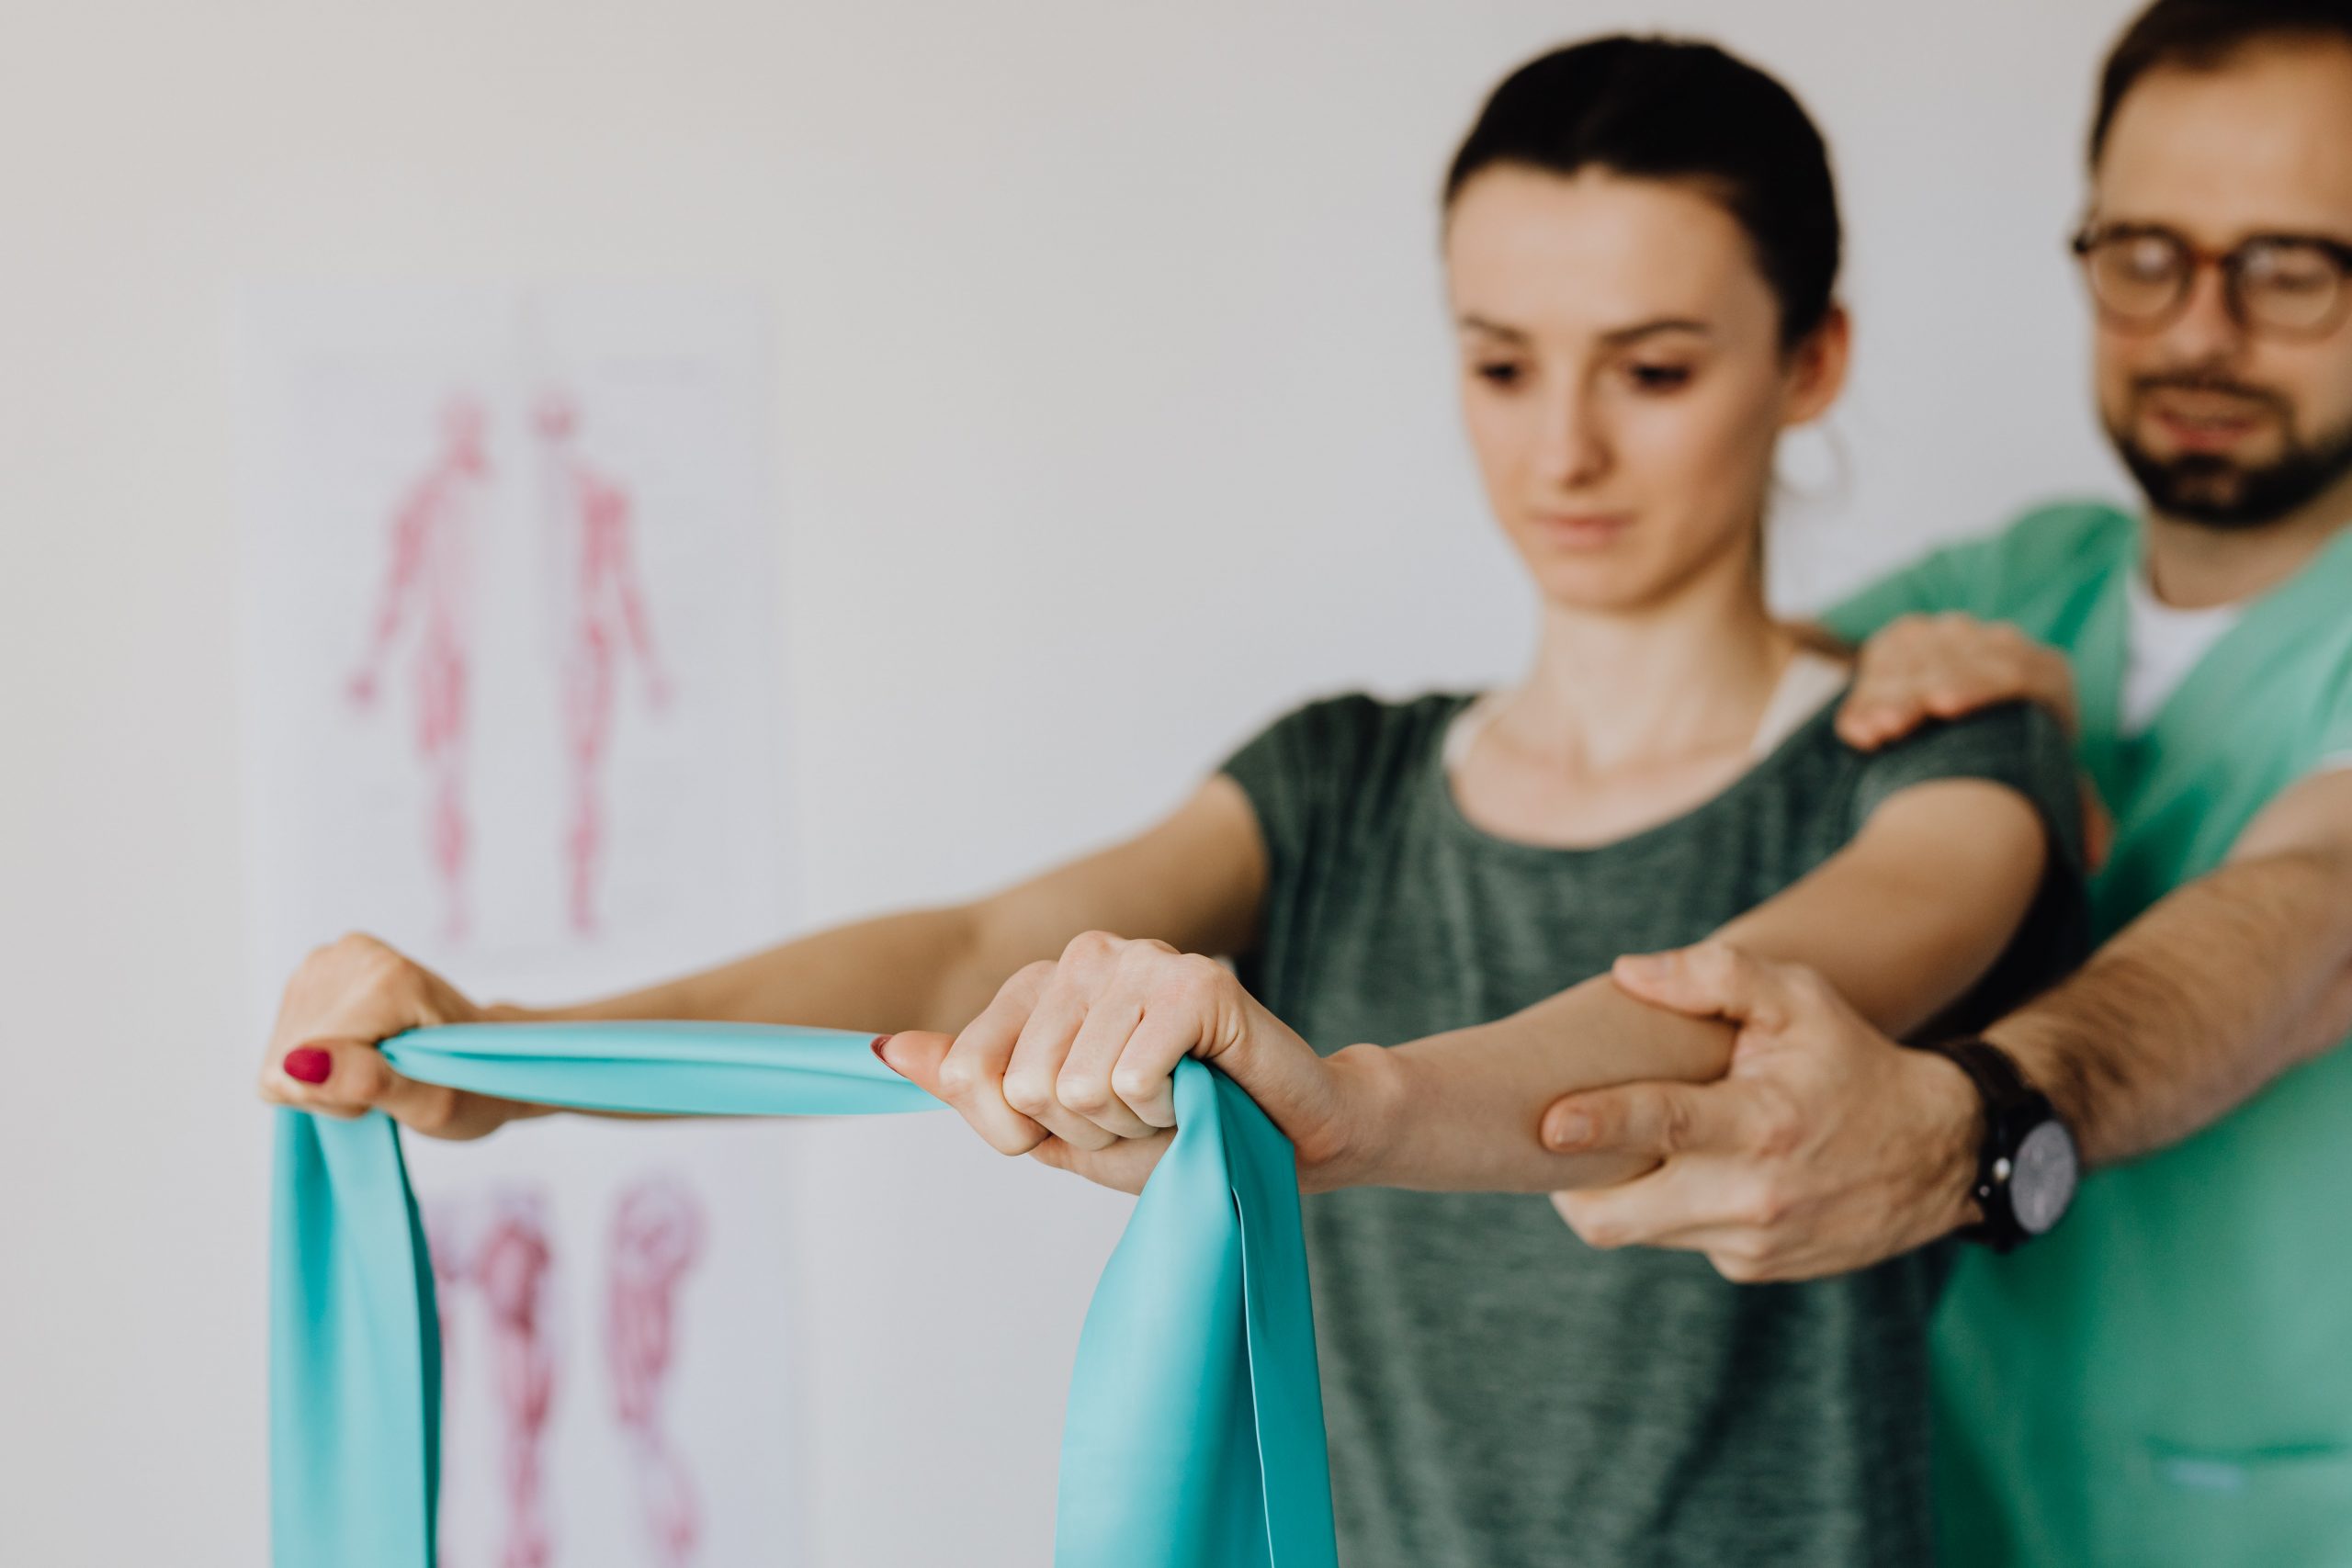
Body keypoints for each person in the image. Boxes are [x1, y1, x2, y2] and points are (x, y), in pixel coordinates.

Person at [260, 36, 2082, 1568]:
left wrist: (1344, 1103)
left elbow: (1707, 1015)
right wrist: (501, 1054)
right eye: (1500, 360)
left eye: (1653, 368)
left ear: (1809, 361)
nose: (1561, 446)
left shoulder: (1938, 756)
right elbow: (979, 941)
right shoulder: (1344, 774)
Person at [1513, 5, 2352, 1563]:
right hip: (1950, 1507)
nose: (2198, 331)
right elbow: (1706, 726)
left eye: (2291, 268)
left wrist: (1973, 1118)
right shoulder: (2012, 589)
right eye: (2146, 255)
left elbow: (2313, 913)